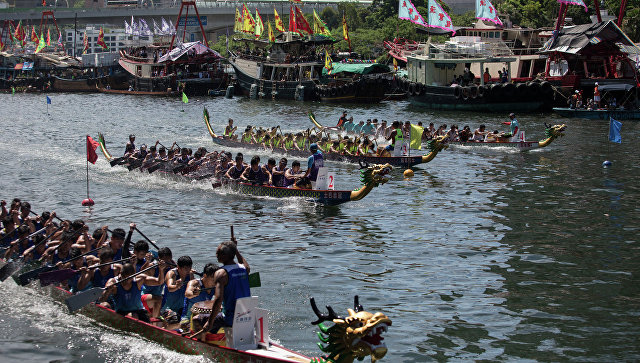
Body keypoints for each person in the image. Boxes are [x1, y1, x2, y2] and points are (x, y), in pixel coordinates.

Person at [201, 238, 250, 338]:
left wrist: (210, 322)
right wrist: (235, 249)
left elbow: (218, 299)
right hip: (247, 314)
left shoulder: (221, 273)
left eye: (219, 253)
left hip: (230, 317)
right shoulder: (243, 268)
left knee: (197, 319)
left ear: (226, 255)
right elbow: (244, 263)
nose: (216, 255)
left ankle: (204, 348)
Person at [101, 261, 165, 323]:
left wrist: (161, 270)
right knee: (104, 305)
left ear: (133, 275)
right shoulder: (113, 282)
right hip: (120, 313)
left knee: (134, 315)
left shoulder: (139, 280)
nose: (126, 280)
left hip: (138, 312)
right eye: (123, 276)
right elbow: (102, 299)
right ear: (120, 273)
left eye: (128, 278)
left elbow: (159, 282)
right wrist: (108, 290)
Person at [182, 263, 217, 330]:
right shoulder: (195, 283)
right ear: (205, 275)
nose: (215, 281)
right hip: (188, 318)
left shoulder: (214, 287)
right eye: (213, 278)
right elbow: (187, 294)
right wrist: (195, 293)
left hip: (204, 317)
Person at [163, 255, 194, 322]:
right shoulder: (171, 274)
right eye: (186, 268)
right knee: (174, 319)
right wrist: (177, 286)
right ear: (178, 267)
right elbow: (170, 288)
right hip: (169, 308)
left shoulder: (190, 275)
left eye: (190, 267)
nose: (188, 270)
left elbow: (192, 289)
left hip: (182, 308)